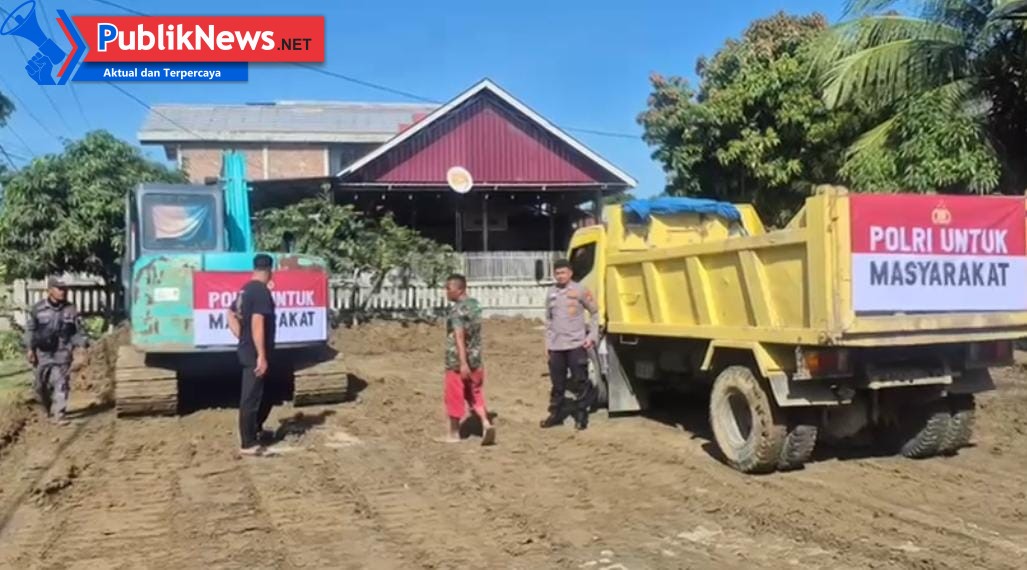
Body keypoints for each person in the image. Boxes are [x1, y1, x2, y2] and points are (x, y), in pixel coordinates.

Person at [228, 254, 278, 456]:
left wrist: (241, 336)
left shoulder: (245, 290)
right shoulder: (261, 292)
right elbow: (258, 323)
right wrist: (261, 355)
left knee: (266, 392)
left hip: (248, 348)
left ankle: (256, 429)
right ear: (269, 271)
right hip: (254, 354)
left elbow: (230, 313)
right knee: (251, 397)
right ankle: (248, 443)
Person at [540, 259, 599, 431]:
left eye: (563, 273)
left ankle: (581, 416)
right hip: (556, 346)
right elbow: (549, 320)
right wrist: (547, 344)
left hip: (576, 344)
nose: (560, 276)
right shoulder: (551, 292)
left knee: (580, 382)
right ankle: (556, 415)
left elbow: (595, 312)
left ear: (570, 273)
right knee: (557, 384)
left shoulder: (580, 290)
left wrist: (592, 336)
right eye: (557, 273)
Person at [439, 273, 495, 446]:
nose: (446, 292)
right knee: (475, 394)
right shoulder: (475, 305)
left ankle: (454, 433)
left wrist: (462, 362)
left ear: (459, 289)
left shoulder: (457, 310)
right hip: (476, 359)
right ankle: (486, 423)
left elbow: (459, 336)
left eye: (449, 288)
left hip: (457, 361)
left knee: (454, 396)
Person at [25, 277, 88, 425]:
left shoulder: (71, 309)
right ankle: (46, 410)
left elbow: (76, 332)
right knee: (41, 385)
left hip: (63, 351)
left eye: (64, 289)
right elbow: (30, 330)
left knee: (61, 382)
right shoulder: (38, 309)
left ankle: (60, 414)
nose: (63, 292)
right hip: (42, 352)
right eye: (59, 289)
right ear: (50, 291)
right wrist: (29, 349)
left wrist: (82, 345)